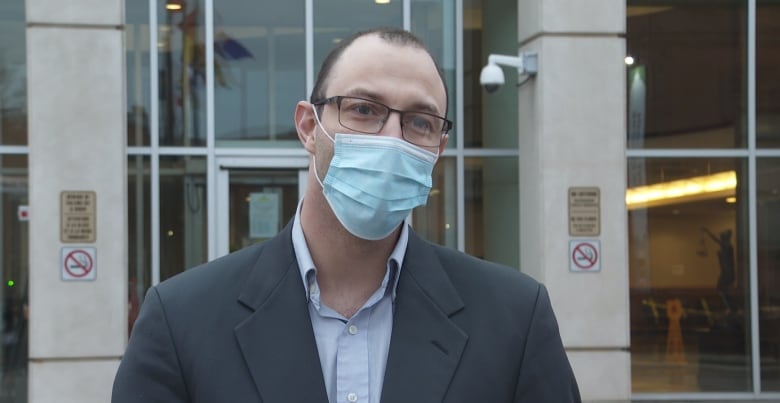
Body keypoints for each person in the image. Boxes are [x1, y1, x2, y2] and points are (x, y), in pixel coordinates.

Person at [112, 27, 580, 402]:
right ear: (308, 127)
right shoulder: (181, 320)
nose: (391, 137)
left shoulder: (515, 318)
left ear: (438, 148)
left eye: (419, 121)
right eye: (363, 109)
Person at [701, 227, 736, 312]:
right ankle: (729, 307)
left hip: (727, 273)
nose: (721, 239)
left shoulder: (727, 246)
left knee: (721, 290)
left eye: (722, 237)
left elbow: (716, 240)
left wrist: (707, 231)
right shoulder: (725, 246)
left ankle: (729, 307)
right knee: (722, 290)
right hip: (725, 272)